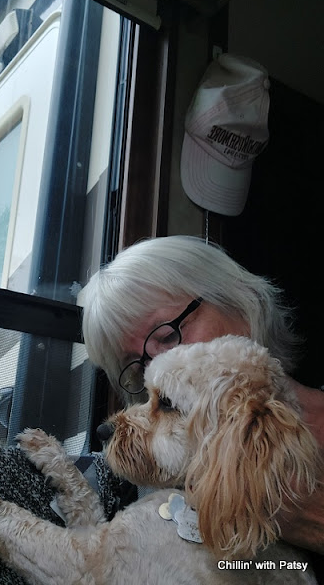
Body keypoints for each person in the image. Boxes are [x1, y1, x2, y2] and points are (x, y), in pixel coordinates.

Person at [81, 234, 324, 556]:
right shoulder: (172, 502)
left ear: (239, 300)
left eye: (167, 334)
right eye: (139, 364)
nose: (159, 364)